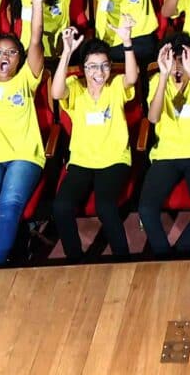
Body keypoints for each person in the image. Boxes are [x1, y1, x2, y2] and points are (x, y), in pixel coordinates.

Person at [49, 22, 142, 260]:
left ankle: (123, 258)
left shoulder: (115, 87)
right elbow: (56, 92)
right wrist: (66, 53)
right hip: (82, 161)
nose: (98, 73)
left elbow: (132, 77)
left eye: (104, 66)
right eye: (92, 67)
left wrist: (128, 43)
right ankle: (75, 259)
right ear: (83, 69)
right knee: (61, 207)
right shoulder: (75, 88)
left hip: (114, 160)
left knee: (105, 207)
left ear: (110, 66)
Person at [138, 32, 190, 256]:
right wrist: (164, 76)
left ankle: (182, 252)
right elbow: (153, 118)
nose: (177, 67)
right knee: (146, 209)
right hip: (167, 153)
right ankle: (164, 255)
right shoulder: (158, 80)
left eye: (181, 60)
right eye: (172, 60)